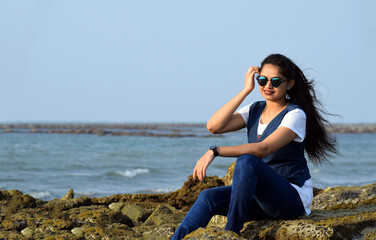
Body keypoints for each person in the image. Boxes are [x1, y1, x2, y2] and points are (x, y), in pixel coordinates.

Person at [171, 53, 337, 239]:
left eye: (275, 81)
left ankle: (231, 232)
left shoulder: (295, 115)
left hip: (290, 198)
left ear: (289, 84)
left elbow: (262, 149)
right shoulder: (254, 109)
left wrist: (215, 151)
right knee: (208, 197)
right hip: (261, 199)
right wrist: (245, 90)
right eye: (262, 80)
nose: (267, 86)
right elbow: (214, 126)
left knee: (247, 160)